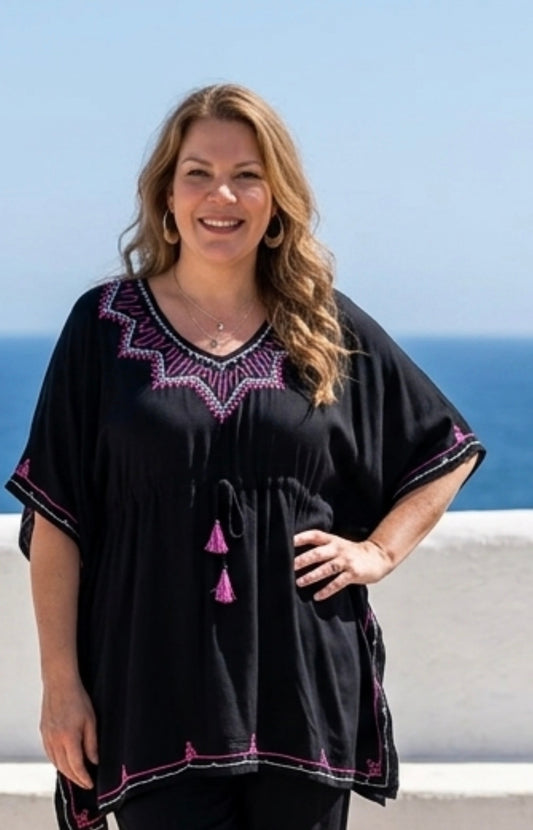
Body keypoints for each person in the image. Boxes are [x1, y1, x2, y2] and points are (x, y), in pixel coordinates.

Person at [6, 84, 484, 830]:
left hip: (303, 691)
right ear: (167, 195)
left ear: (275, 200)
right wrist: (61, 687)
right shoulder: (102, 326)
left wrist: (378, 551)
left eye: (247, 175)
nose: (220, 195)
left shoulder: (323, 325)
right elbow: (57, 517)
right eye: (197, 173)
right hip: (150, 691)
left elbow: (445, 448)